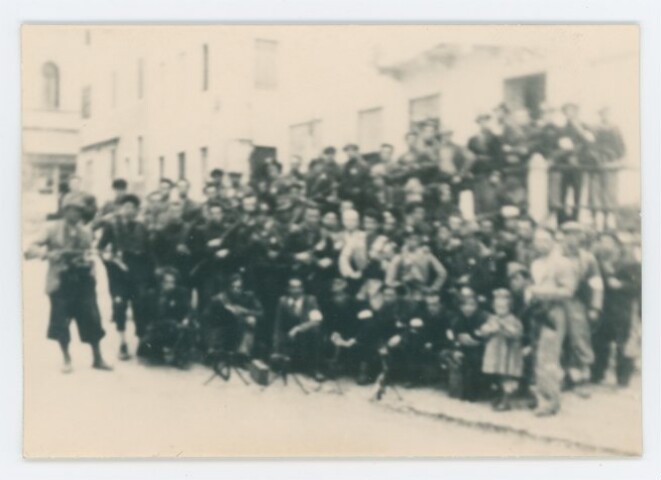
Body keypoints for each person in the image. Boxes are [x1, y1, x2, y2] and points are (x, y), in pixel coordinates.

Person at [25, 195, 112, 373]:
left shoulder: (85, 231)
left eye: (79, 211)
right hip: (61, 281)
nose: (76, 214)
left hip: (83, 281)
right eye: (72, 210)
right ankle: (66, 359)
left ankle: (97, 358)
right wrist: (47, 254)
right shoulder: (51, 228)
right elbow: (29, 249)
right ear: (64, 211)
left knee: (92, 319)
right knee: (61, 321)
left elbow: (90, 252)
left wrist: (88, 260)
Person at [97, 194, 154, 360]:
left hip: (138, 271)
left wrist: (150, 274)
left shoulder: (142, 227)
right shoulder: (111, 226)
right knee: (119, 305)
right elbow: (100, 248)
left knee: (140, 305)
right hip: (118, 272)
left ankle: (141, 341)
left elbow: (149, 251)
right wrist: (108, 259)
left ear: (136, 210)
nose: (129, 210)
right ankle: (122, 342)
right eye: (126, 207)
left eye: (132, 208)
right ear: (120, 209)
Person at [591, 232, 640, 386]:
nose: (604, 245)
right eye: (601, 242)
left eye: (608, 242)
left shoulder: (630, 263)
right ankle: (597, 374)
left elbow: (639, 286)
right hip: (603, 308)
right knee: (599, 341)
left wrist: (621, 285)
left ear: (616, 245)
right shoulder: (596, 262)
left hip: (622, 309)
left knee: (623, 343)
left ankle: (623, 378)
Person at [476, 289, 524, 411]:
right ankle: (499, 396)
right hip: (496, 353)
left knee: (507, 377)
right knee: (498, 375)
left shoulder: (513, 320)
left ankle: (506, 401)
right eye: (497, 307)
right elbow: (484, 330)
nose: (500, 310)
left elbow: (516, 334)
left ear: (510, 307)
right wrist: (487, 329)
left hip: (508, 353)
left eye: (503, 307)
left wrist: (503, 327)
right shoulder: (492, 318)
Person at [272, 277, 325, 381]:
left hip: (306, 334)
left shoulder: (310, 300)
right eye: (293, 287)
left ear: (302, 289)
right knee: (279, 364)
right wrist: (276, 346)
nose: (296, 290)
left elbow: (316, 321)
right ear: (288, 289)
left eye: (298, 287)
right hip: (290, 336)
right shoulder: (283, 301)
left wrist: (298, 328)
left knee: (316, 331)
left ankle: (315, 369)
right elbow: (278, 324)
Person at [138, 268, 192, 365]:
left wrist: (186, 319)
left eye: (173, 282)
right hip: (159, 327)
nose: (171, 285)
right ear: (161, 283)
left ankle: (180, 355)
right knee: (148, 348)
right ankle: (156, 351)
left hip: (178, 326)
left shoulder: (181, 293)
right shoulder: (152, 295)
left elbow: (189, 310)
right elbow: (145, 317)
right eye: (167, 282)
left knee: (187, 330)